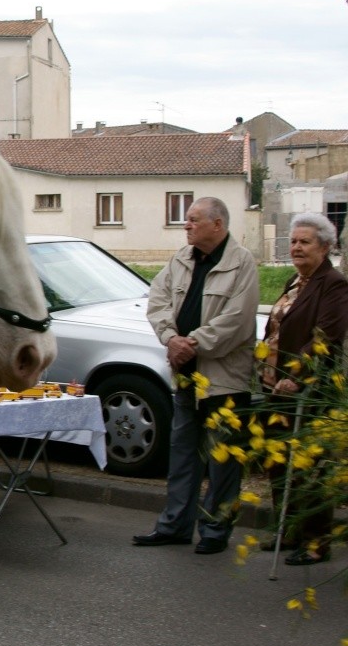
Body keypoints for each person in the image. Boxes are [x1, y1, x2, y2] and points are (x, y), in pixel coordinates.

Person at [133, 197, 259, 554]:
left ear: (217, 225)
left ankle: (216, 531)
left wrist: (193, 343)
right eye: (186, 221)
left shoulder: (241, 263)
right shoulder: (181, 259)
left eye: (193, 220)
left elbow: (237, 319)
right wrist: (171, 339)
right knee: (183, 454)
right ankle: (174, 525)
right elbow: (156, 301)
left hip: (224, 379)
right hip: (186, 377)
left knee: (223, 460)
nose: (186, 226)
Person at [259, 212, 348, 565]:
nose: (296, 247)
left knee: (310, 468)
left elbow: (327, 337)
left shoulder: (334, 284)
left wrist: (296, 374)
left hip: (308, 391)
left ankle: (316, 541)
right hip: (275, 387)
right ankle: (290, 528)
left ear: (325, 247)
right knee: (279, 463)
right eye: (293, 241)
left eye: (304, 241)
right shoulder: (296, 282)